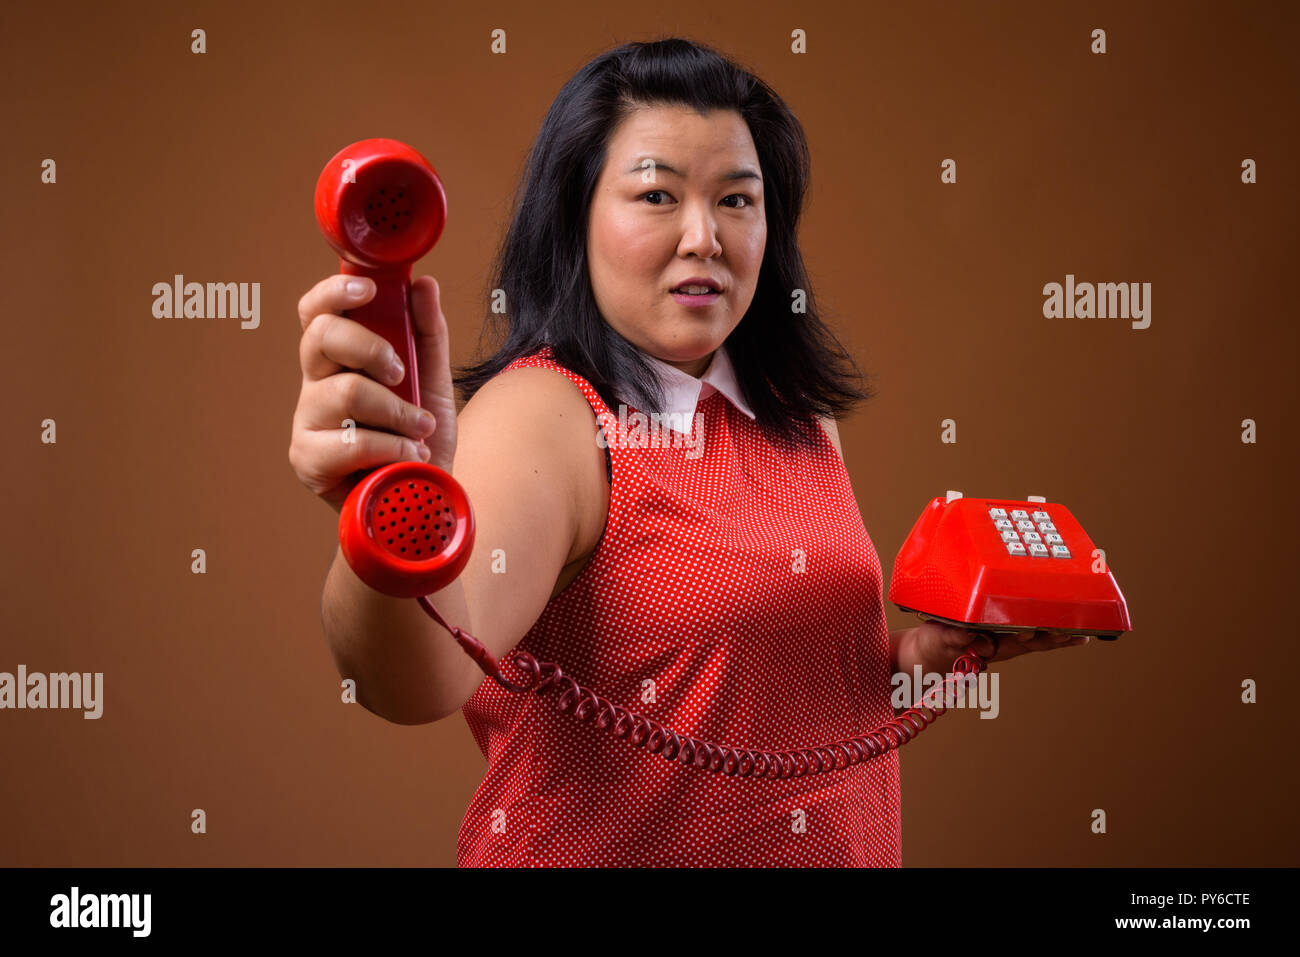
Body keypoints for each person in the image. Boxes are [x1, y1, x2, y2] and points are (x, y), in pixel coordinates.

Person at [288, 37, 1085, 867]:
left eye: (737, 201)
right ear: (576, 217)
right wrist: (383, 507)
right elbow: (413, 681)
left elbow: (762, 708)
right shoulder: (548, 416)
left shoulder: (796, 417)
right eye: (657, 194)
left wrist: (924, 664)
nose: (704, 236)